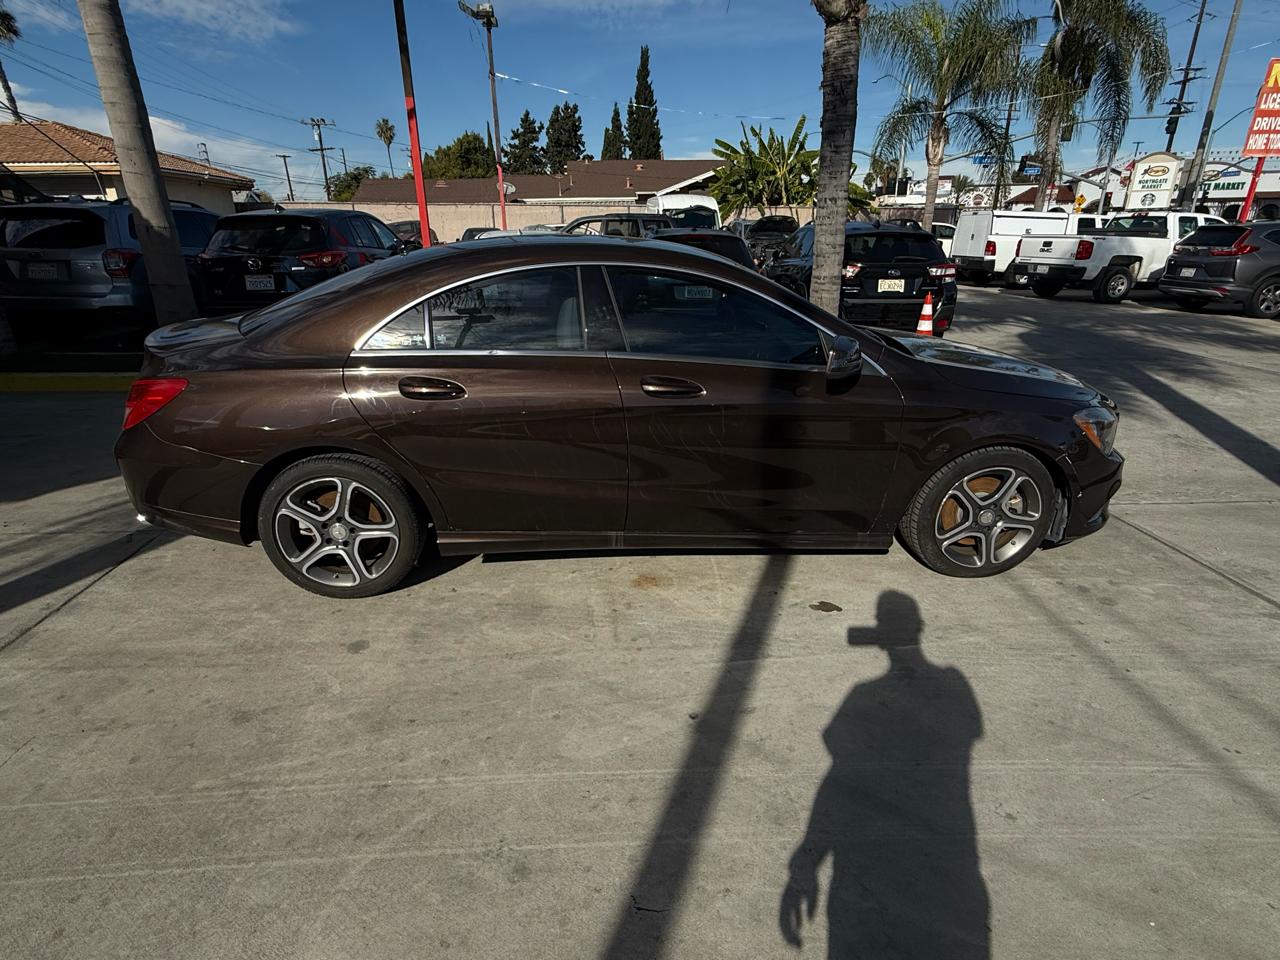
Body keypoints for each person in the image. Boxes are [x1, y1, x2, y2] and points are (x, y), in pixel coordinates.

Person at [779, 591, 989, 958]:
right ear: (919, 628)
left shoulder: (864, 695)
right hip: (948, 856)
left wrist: (807, 861)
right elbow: (969, 732)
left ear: (880, 635)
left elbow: (840, 764)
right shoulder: (953, 685)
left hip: (877, 863)